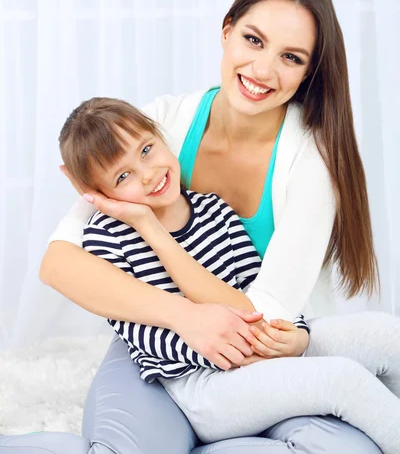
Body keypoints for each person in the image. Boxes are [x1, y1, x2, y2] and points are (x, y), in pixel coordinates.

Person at [40, 0, 390, 453]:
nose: (263, 70)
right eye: (253, 40)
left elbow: (264, 319)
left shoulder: (312, 162)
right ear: (227, 31)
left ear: (309, 72)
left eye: (290, 57)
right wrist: (184, 318)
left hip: (268, 350)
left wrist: (294, 340)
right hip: (169, 350)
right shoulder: (159, 127)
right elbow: (60, 262)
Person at [58, 95, 400, 453]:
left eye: (146, 150)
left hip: (258, 348)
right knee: (342, 381)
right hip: (200, 386)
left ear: (160, 137)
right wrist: (234, 348)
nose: (148, 175)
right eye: (123, 176)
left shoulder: (213, 209)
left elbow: (261, 294)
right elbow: (142, 337)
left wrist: (296, 335)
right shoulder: (106, 237)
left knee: (388, 336)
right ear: (100, 193)